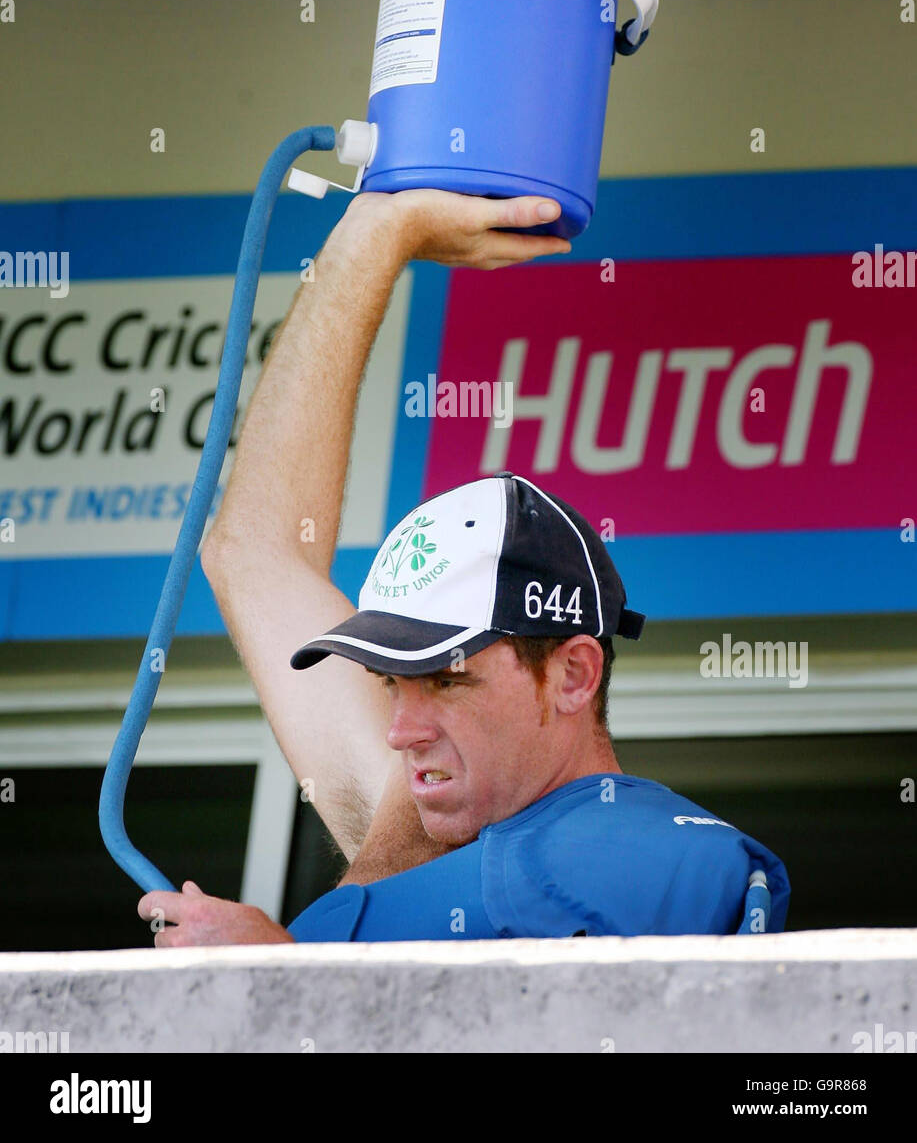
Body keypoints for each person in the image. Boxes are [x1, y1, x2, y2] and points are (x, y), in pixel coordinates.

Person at [137, 188, 789, 947]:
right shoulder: (421, 810)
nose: (399, 731)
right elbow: (252, 552)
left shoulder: (644, 853)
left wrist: (277, 978)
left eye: (447, 678)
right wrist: (375, 234)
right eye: (392, 681)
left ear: (573, 675)